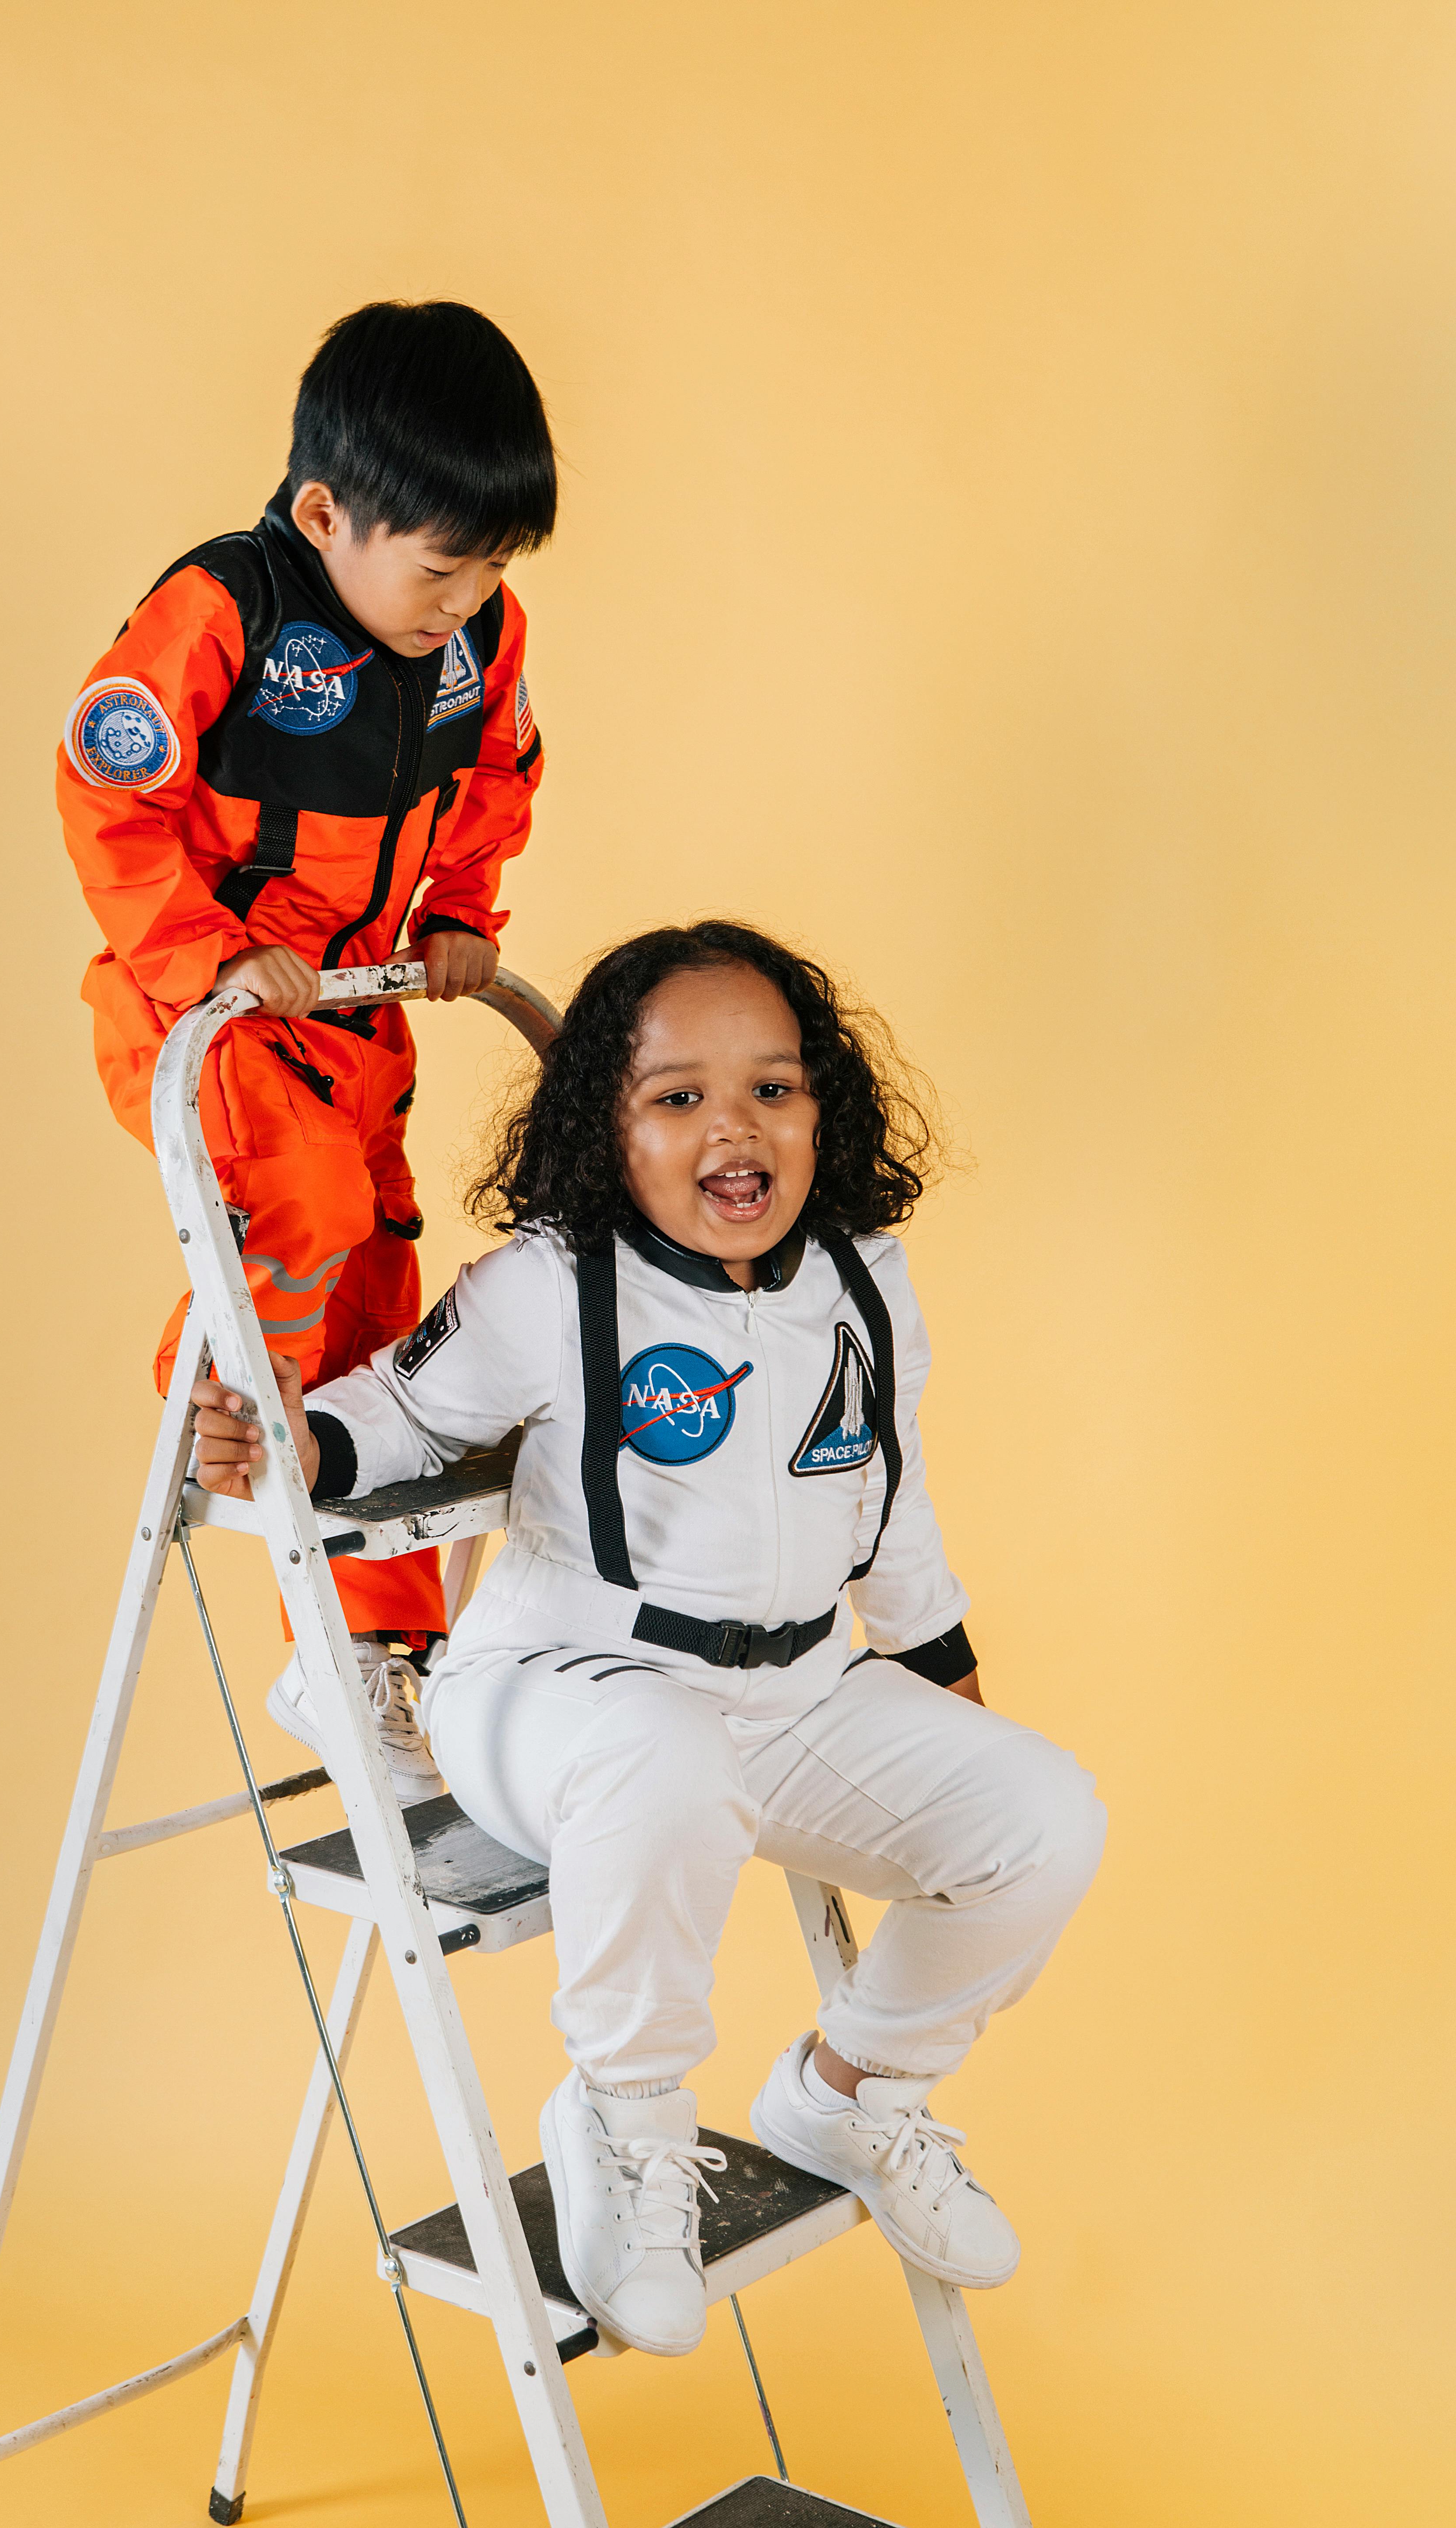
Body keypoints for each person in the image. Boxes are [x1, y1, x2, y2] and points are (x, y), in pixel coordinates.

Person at [191, 921, 1107, 2360]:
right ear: (602, 1130)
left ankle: (853, 2091)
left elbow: (897, 1499)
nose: (732, 1128)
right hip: (566, 1691)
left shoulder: (865, 1280)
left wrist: (943, 1682)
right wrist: (291, 1441)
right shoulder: (555, 1284)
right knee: (662, 1756)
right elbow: (400, 1416)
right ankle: (627, 2132)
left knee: (1047, 1814)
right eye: (676, 1098)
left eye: (774, 1090)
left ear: (827, 1111)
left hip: (798, 1688)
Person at [59, 300, 556, 1803]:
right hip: (201, 1010)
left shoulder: (478, 644)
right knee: (309, 1219)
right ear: (328, 512)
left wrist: (460, 917)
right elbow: (107, 789)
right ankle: (207, 1394)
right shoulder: (229, 609)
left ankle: (379, 1658)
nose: (461, 605)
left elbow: (500, 780)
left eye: (490, 574)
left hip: (352, 1014)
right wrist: (213, 955)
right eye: (439, 568)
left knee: (386, 1277)